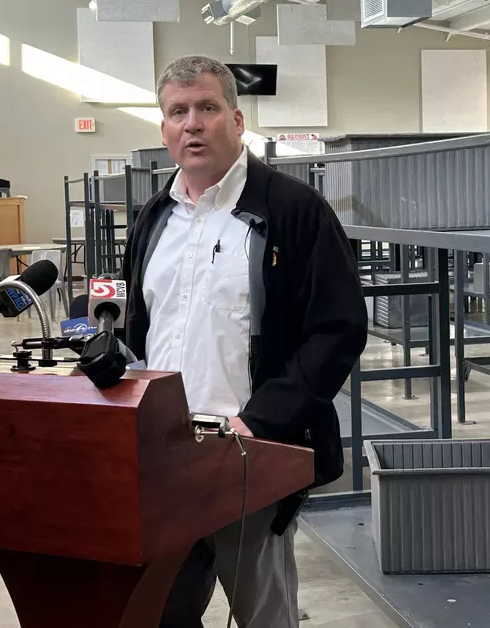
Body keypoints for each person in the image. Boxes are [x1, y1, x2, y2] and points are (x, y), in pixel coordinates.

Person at [120, 55, 367, 627]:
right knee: (162, 610)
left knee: (263, 613)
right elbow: (141, 330)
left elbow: (338, 329)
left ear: (236, 121)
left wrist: (262, 421)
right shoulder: (154, 217)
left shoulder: (294, 211)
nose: (193, 124)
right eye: (178, 112)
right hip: (166, 457)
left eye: (207, 108)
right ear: (163, 130)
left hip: (249, 454)